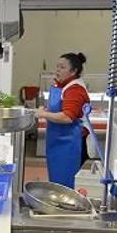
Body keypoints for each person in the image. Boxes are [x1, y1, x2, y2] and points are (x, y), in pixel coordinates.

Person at [35, 52, 90, 188]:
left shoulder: (75, 89)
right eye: (57, 66)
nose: (57, 70)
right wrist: (46, 110)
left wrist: (42, 114)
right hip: (58, 141)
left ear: (74, 71)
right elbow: (57, 108)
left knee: (65, 185)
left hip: (69, 143)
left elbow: (67, 117)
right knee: (57, 182)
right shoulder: (62, 86)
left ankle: (65, 208)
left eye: (62, 67)